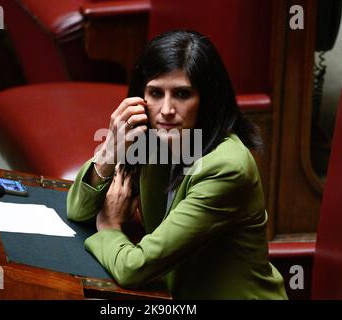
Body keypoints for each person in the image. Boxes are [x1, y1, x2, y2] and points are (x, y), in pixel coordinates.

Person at [66, 30, 287, 299]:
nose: (167, 109)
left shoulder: (226, 168)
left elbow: (133, 269)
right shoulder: (154, 140)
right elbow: (78, 210)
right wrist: (110, 150)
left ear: (206, 99)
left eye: (182, 94)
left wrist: (110, 227)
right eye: (156, 93)